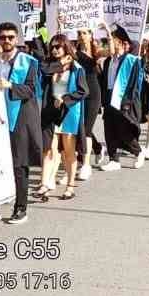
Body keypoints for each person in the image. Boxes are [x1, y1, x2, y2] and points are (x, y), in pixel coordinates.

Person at [0, 21, 43, 223]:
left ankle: (21, 208)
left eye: (11, 37)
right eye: (3, 37)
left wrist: (11, 85)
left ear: (17, 39)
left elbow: (31, 90)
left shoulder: (27, 62)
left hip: (20, 117)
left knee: (20, 164)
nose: (7, 41)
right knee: (0, 162)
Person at [38, 35, 88, 197]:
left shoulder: (77, 68)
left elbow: (83, 91)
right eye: (52, 47)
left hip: (69, 112)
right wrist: (60, 64)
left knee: (68, 150)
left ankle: (70, 185)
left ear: (66, 47)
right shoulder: (49, 65)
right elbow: (44, 70)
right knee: (49, 149)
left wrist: (65, 100)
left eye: (58, 47)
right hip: (51, 112)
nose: (54, 50)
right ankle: (44, 183)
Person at [100, 25, 144, 170]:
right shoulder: (108, 61)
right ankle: (114, 160)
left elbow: (134, 85)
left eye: (113, 41)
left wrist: (127, 103)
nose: (110, 44)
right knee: (109, 130)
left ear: (122, 44)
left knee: (123, 130)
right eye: (109, 41)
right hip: (109, 100)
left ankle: (139, 152)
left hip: (123, 101)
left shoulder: (132, 61)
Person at [73, 29, 105, 183]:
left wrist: (107, 30)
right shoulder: (74, 52)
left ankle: (85, 165)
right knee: (81, 127)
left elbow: (111, 51)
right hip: (79, 92)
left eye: (85, 32)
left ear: (91, 35)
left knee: (86, 130)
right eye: (79, 33)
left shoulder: (96, 51)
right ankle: (98, 148)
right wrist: (59, 25)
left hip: (93, 94)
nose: (81, 35)